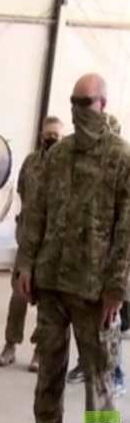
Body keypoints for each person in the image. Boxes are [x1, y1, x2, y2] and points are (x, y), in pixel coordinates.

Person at [15, 73, 130, 423]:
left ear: (103, 105)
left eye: (86, 103)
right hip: (51, 285)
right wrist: (25, 264)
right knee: (48, 376)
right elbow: (36, 214)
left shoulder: (120, 158)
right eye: (74, 103)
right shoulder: (58, 156)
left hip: (94, 292)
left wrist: (117, 288)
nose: (79, 111)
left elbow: (127, 231)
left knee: (99, 384)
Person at [0, 116, 63, 372]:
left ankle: (39, 351)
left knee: (46, 302)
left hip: (51, 243)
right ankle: (10, 345)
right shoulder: (31, 163)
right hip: (27, 240)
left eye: (56, 135)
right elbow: (23, 193)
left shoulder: (66, 167)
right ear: (41, 135)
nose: (51, 138)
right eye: (48, 134)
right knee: (18, 295)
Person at [66, 113, 127, 397]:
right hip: (82, 278)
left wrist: (117, 286)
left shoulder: (122, 168)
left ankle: (116, 376)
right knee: (93, 361)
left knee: (104, 374)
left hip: (109, 278)